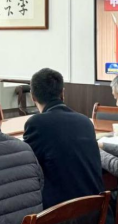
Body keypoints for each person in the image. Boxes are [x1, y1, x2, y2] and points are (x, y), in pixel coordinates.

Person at [24, 68, 105, 210]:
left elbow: (27, 167)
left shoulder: (36, 123)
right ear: (62, 93)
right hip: (96, 211)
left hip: (61, 214)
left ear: (33, 97)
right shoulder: (85, 121)